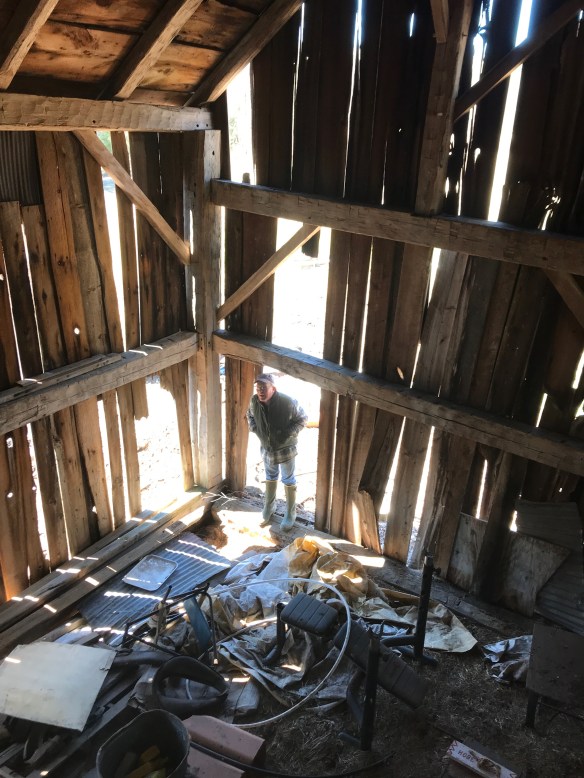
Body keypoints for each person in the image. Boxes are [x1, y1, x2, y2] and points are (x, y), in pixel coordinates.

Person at [246, 373, 307, 531]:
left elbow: (303, 418)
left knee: (288, 479)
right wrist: (254, 429)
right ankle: (269, 508)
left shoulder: (288, 402)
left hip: (285, 449)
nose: (260, 390)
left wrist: (288, 433)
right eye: (258, 387)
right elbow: (249, 415)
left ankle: (290, 513)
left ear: (273, 388)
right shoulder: (254, 401)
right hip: (267, 449)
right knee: (270, 477)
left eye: (264, 387)